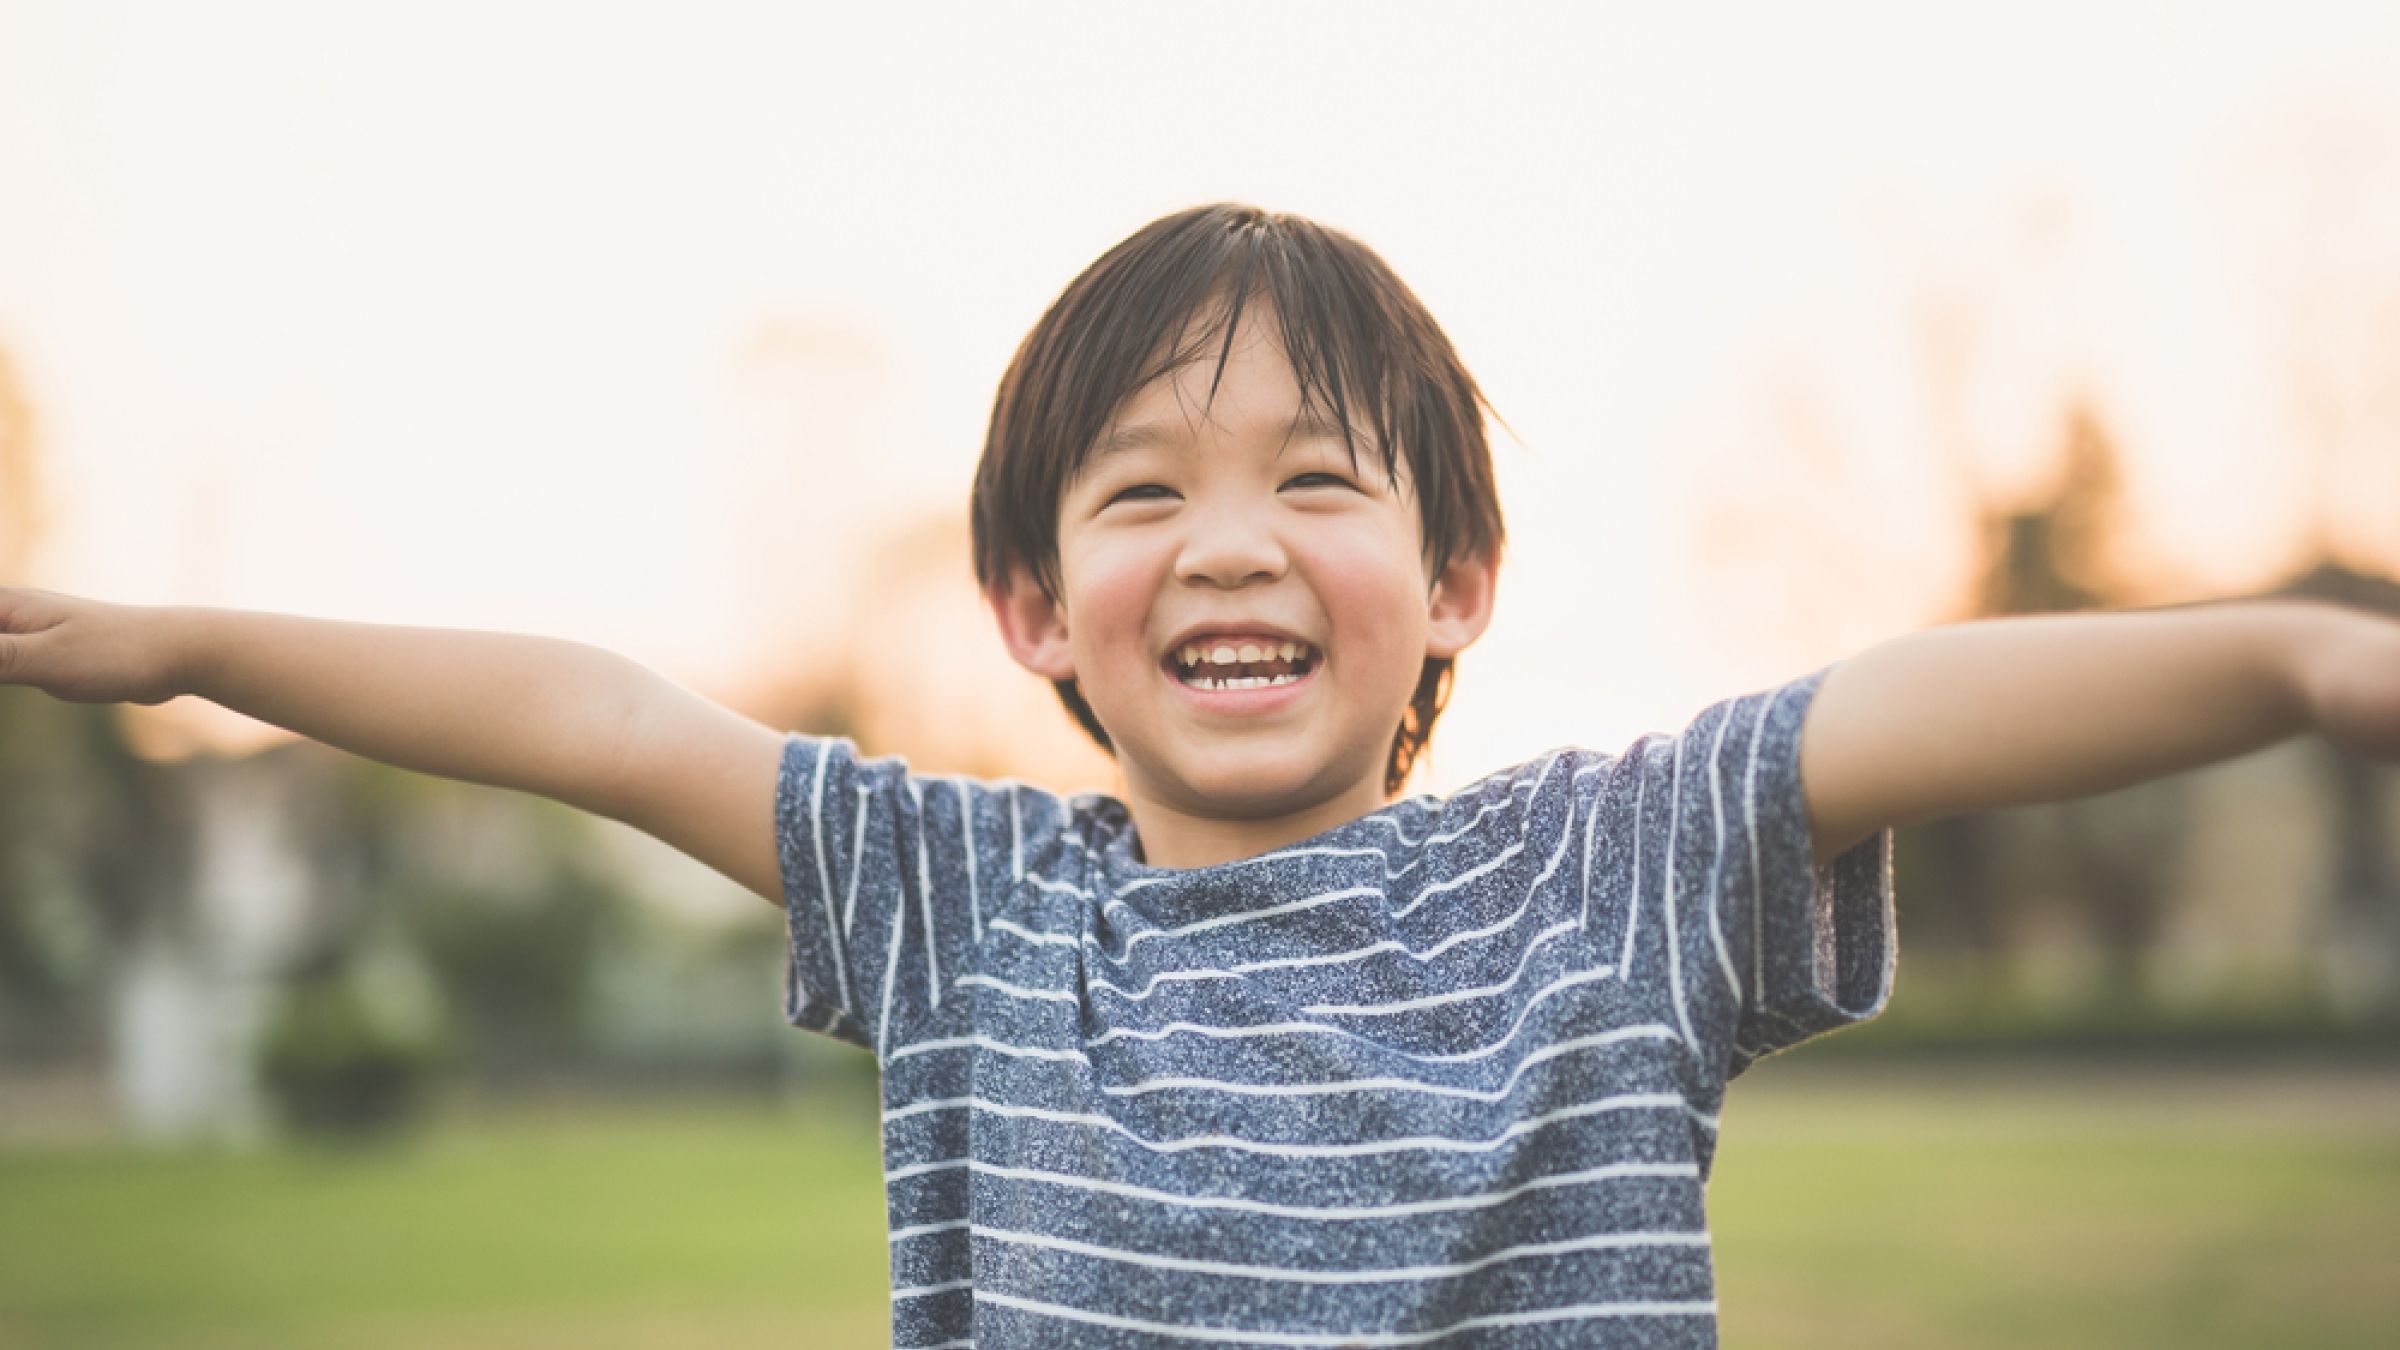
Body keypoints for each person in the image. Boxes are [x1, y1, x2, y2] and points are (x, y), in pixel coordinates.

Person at [3, 202, 2395, 1348]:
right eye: (1141, 493)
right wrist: (199, 645)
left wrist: (2301, 655)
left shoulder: (1606, 878)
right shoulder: (964, 904)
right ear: (1036, 613)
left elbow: (1897, 708)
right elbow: (613, 724)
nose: (1228, 540)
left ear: (1456, 580)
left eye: (1320, 483)